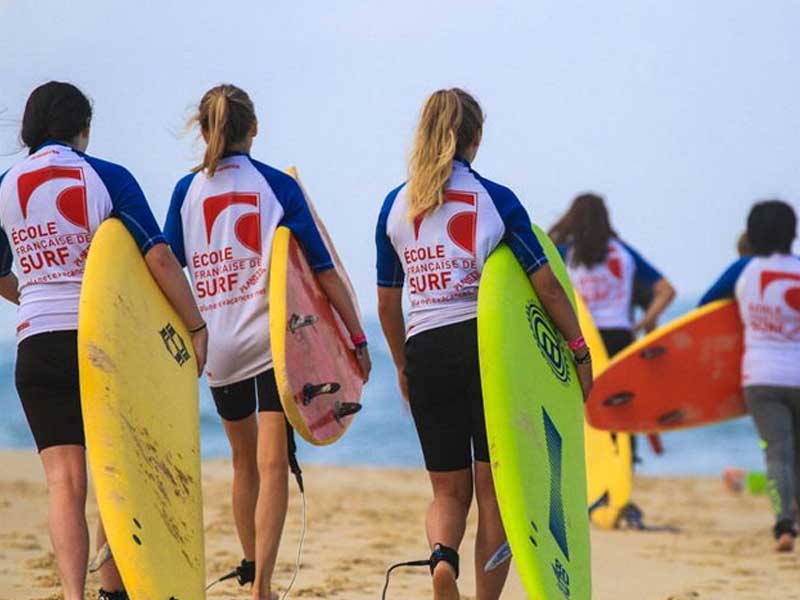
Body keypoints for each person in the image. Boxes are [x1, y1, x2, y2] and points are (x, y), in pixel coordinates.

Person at [375, 88, 592, 600]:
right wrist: (578, 350)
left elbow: (388, 305)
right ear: (475, 137)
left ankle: (441, 559)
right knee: (495, 493)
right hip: (488, 351)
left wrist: (405, 367)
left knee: (447, 492)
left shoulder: (395, 206)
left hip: (425, 347)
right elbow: (545, 285)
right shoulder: (496, 198)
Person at [0, 81, 207, 600]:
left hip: (36, 344)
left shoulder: (5, 185)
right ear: (83, 130)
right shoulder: (105, 176)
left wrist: (31, 296)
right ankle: (114, 588)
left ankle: (74, 594)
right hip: (102, 345)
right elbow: (157, 257)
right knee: (124, 471)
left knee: (65, 485)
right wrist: (195, 327)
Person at [164, 84, 371, 600]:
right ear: (254, 129)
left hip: (219, 349)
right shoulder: (275, 185)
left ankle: (251, 560)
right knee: (272, 463)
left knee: (242, 461)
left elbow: (167, 269)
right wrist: (356, 336)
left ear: (206, 131)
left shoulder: (185, 194)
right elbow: (322, 272)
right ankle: (261, 586)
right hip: (273, 347)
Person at [700, 200, 800, 552]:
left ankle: (784, 526)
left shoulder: (743, 269)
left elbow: (705, 310)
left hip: (761, 376)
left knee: (778, 453)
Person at [550, 193, 676, 355]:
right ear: (605, 218)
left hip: (582, 336)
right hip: (621, 336)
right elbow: (666, 290)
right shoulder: (623, 252)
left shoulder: (564, 252)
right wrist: (644, 323)